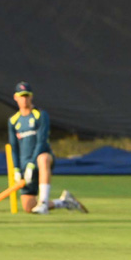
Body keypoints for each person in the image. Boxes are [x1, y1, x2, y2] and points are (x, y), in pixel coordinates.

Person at [6, 81, 86, 215]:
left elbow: (41, 142)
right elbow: (14, 147)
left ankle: (43, 203)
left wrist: (32, 165)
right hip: (25, 166)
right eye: (21, 96)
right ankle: (65, 202)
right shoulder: (13, 121)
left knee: (43, 158)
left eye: (27, 96)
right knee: (29, 207)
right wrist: (17, 170)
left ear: (31, 97)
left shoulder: (40, 115)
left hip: (40, 160)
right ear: (16, 97)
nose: (24, 99)